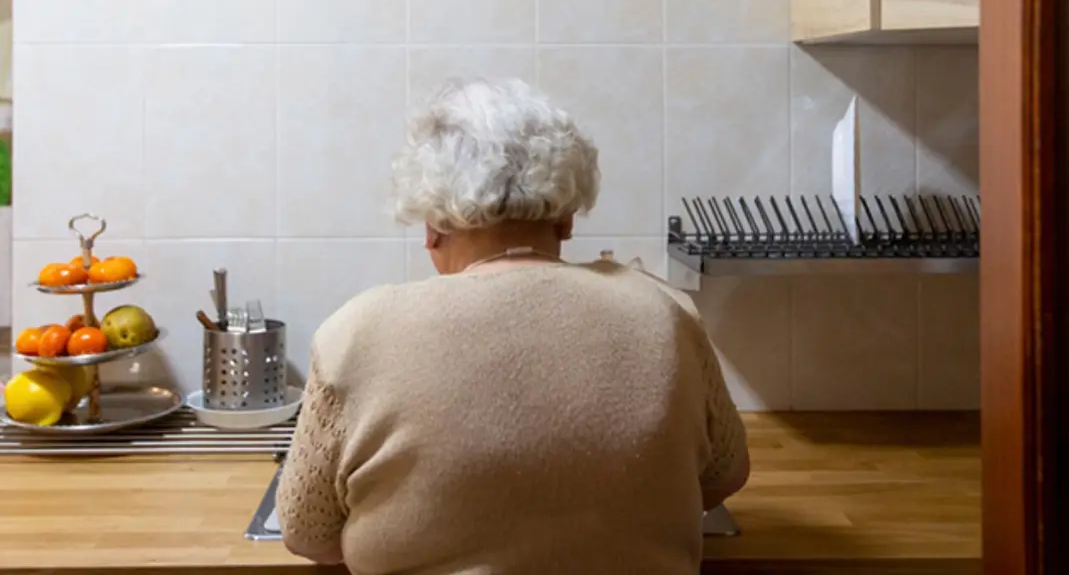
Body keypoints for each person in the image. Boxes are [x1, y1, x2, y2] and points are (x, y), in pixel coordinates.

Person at [276, 78, 750, 574]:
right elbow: (723, 474)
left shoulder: (358, 332)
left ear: (433, 227)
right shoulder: (666, 312)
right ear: (566, 219)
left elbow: (308, 533)